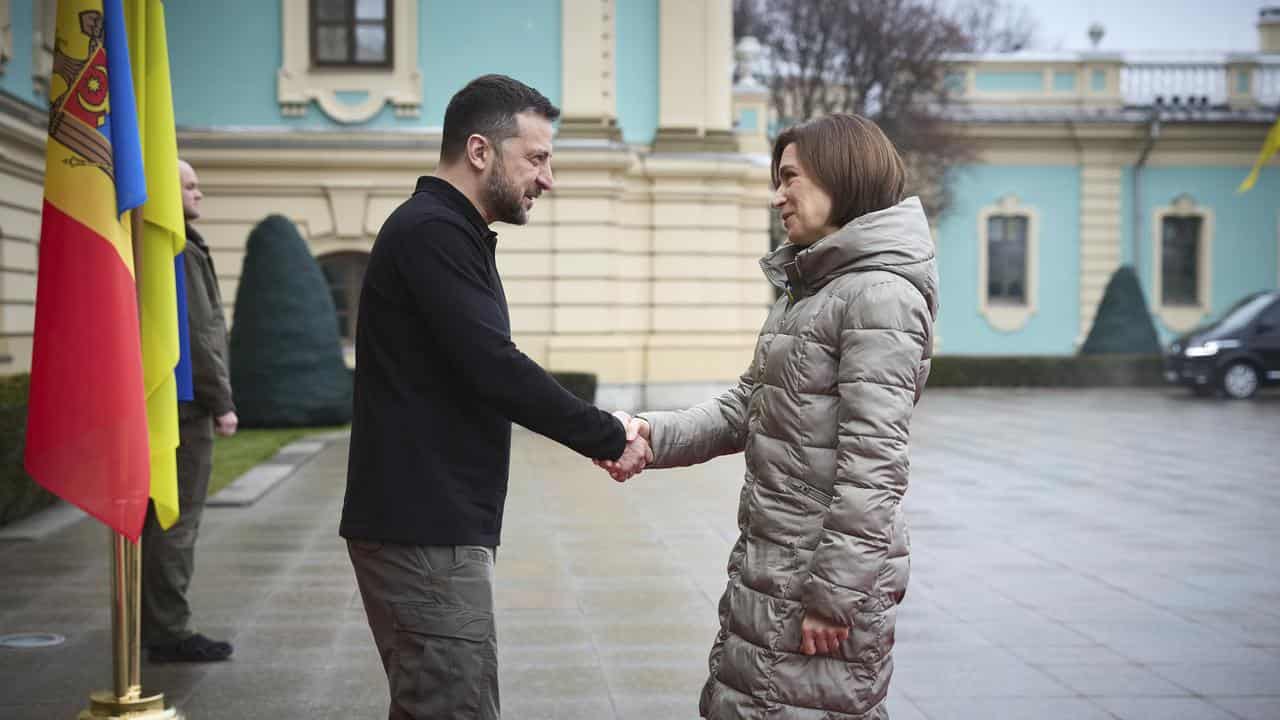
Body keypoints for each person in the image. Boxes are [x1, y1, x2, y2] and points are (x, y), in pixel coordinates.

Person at [604, 113, 938, 719]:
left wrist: (834, 596)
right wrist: (653, 437)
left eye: (790, 178)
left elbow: (875, 468)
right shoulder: (814, 288)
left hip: (817, 585)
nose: (776, 195)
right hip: (778, 568)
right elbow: (746, 406)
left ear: (843, 177)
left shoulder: (878, 296)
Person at [340, 74, 651, 720]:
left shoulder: (446, 230)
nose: (548, 178)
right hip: (422, 530)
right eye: (537, 158)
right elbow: (496, 367)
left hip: (428, 525)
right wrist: (609, 434)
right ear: (480, 151)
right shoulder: (433, 232)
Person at [140, 159, 238, 663]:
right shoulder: (181, 248)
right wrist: (222, 402)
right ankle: (168, 632)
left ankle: (151, 622)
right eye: (189, 185)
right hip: (185, 408)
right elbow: (201, 333)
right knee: (175, 523)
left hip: (157, 402)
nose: (199, 193)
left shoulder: (151, 239)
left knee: (153, 522)